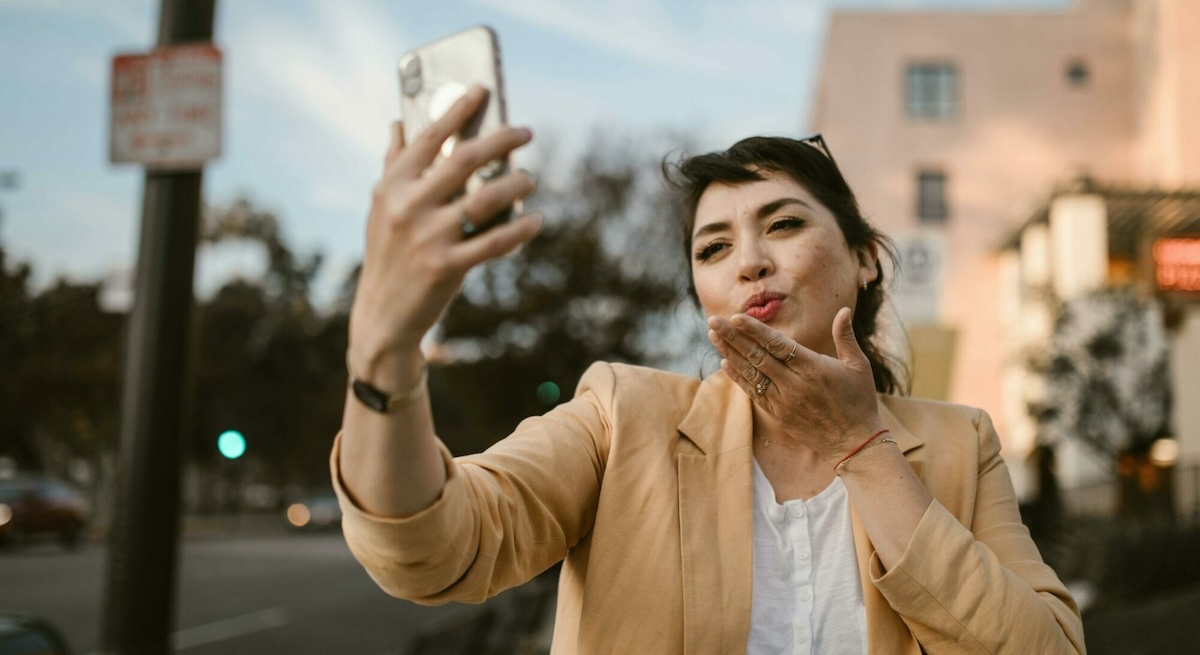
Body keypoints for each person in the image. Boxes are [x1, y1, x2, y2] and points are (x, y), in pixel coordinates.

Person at [331, 86, 1086, 654]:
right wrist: (384, 357)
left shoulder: (962, 445)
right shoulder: (620, 415)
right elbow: (431, 551)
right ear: (700, 291)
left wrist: (863, 449)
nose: (749, 261)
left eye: (783, 224)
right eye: (713, 247)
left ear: (862, 260)